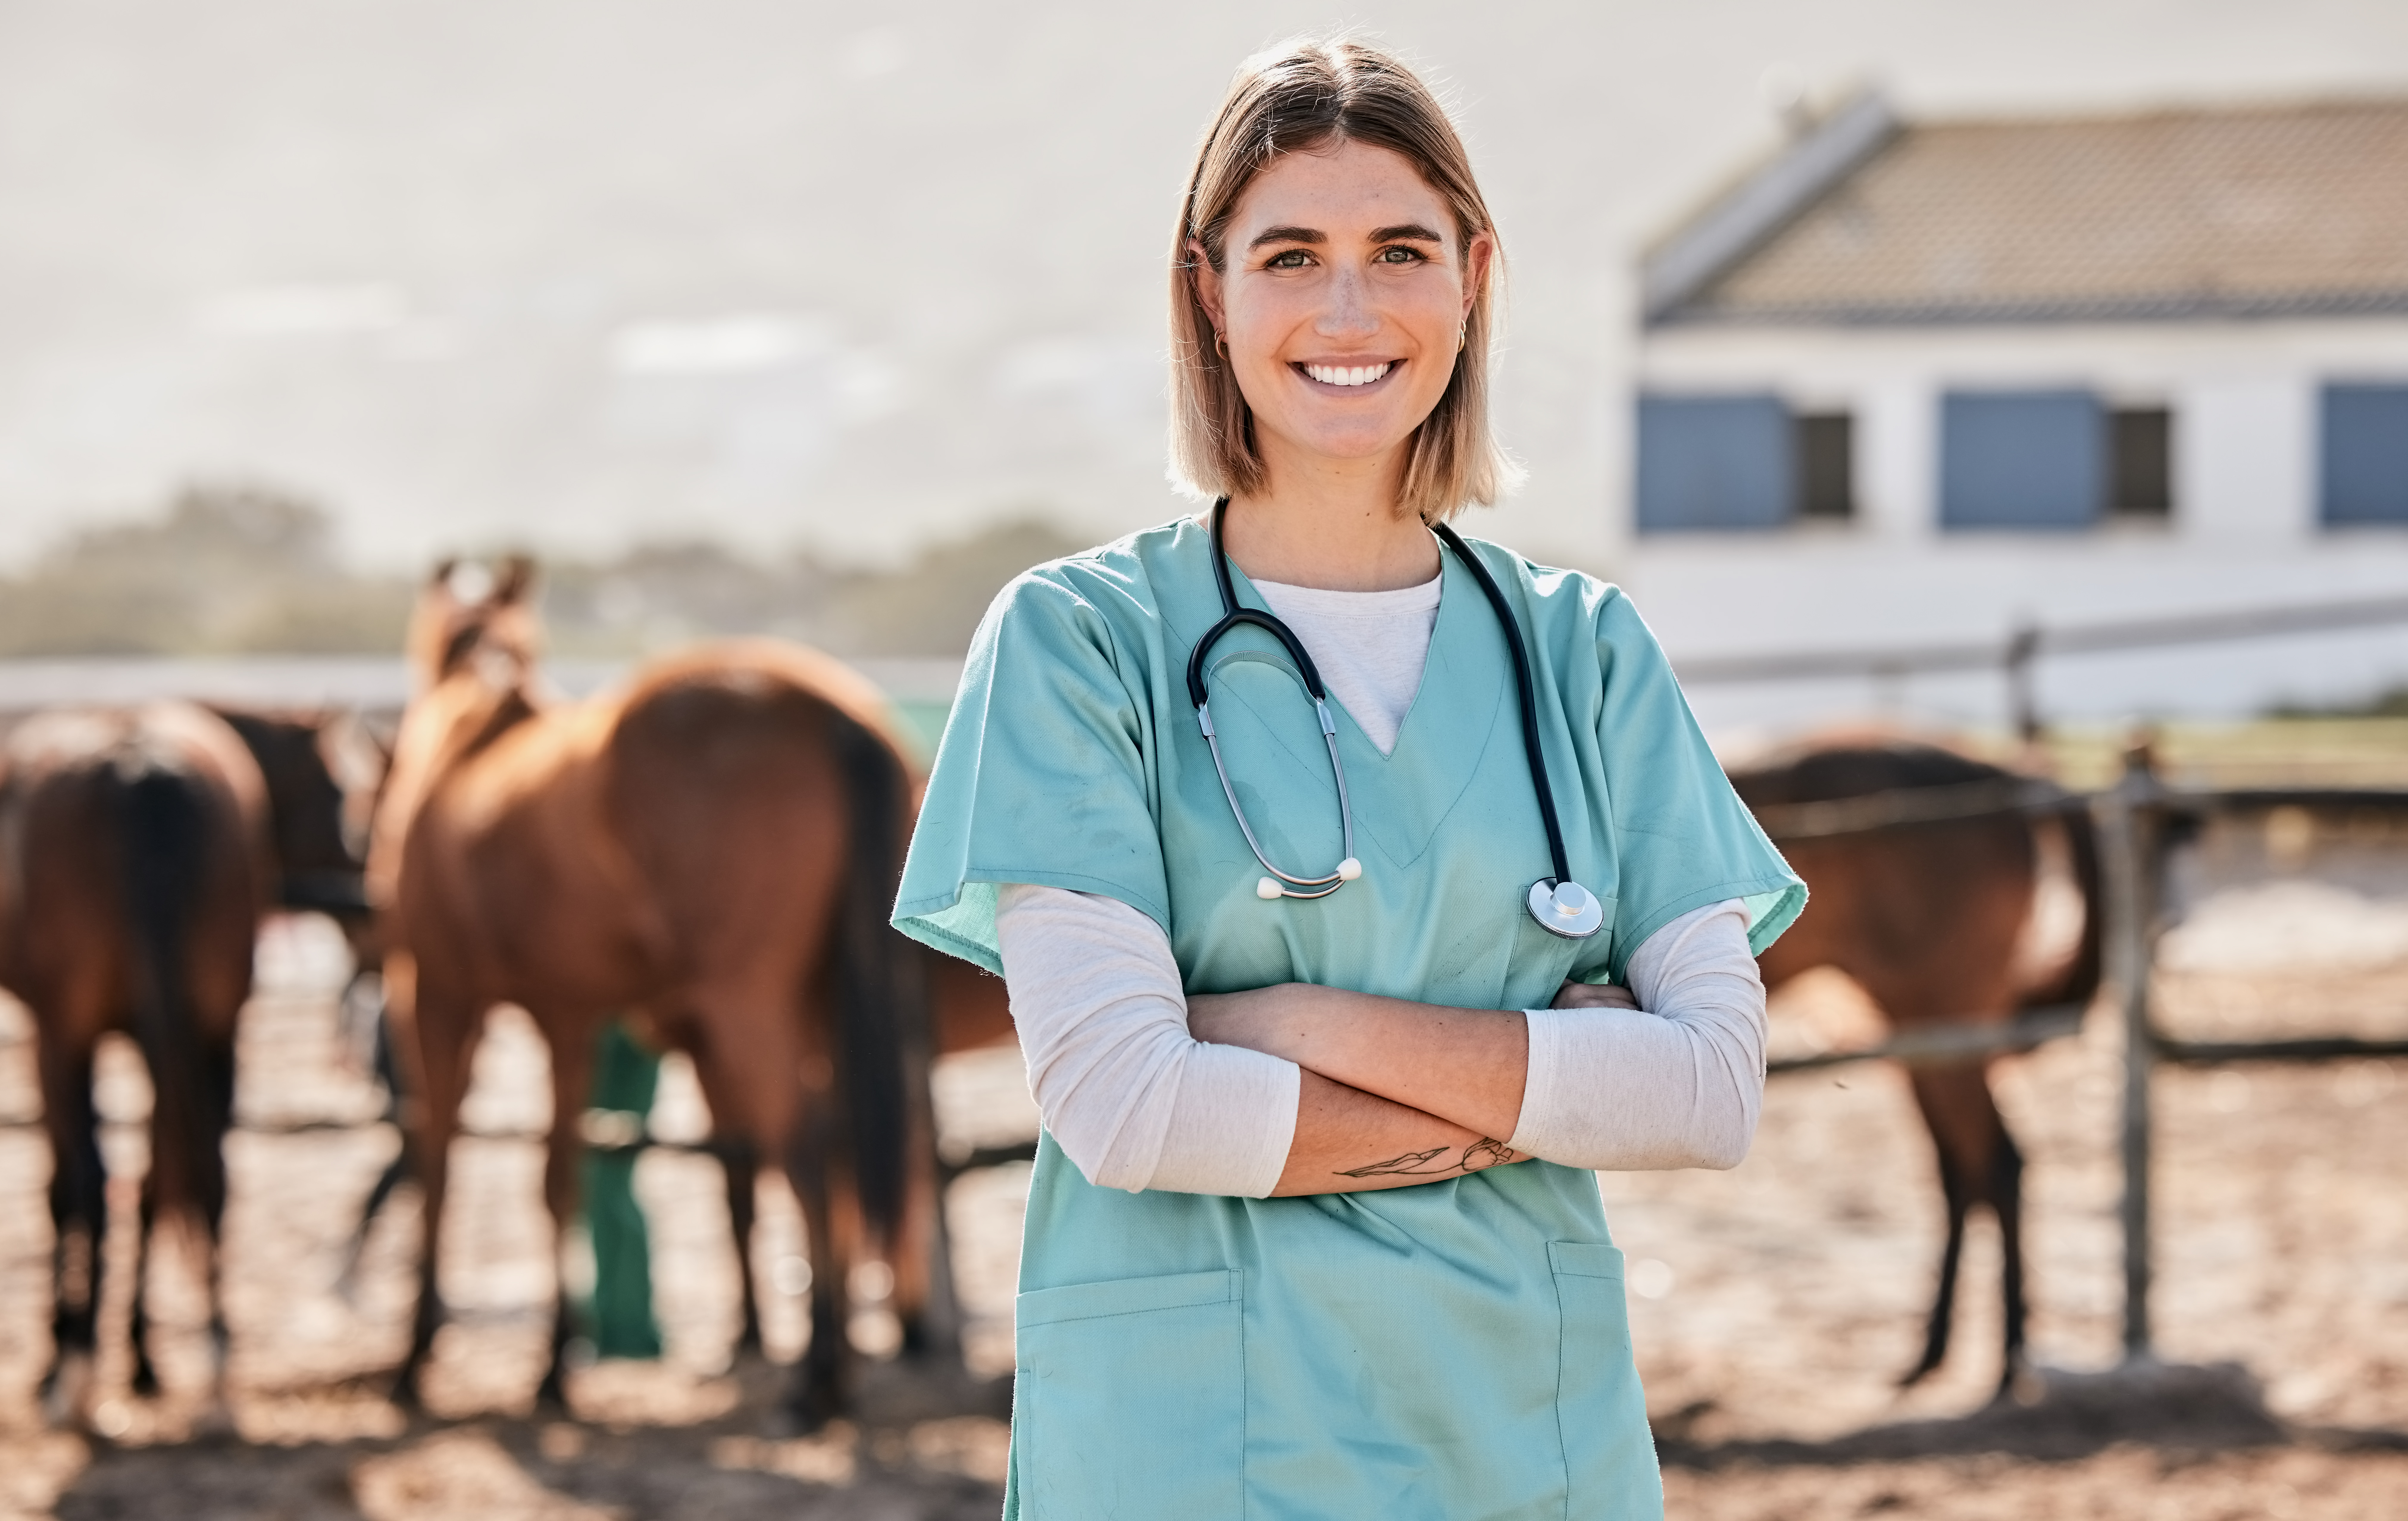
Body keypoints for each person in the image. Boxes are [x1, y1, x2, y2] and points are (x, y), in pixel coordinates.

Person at [893, 37, 1805, 1518]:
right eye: (1290, 256)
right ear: (1210, 292)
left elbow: (1706, 1093)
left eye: (1399, 251)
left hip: (1525, 1432)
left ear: (1473, 278)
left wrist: (1281, 1022)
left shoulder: (1585, 653)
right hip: (1197, 1445)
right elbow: (1129, 1109)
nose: (1347, 308)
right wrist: (1537, 1087)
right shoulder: (1078, 646)